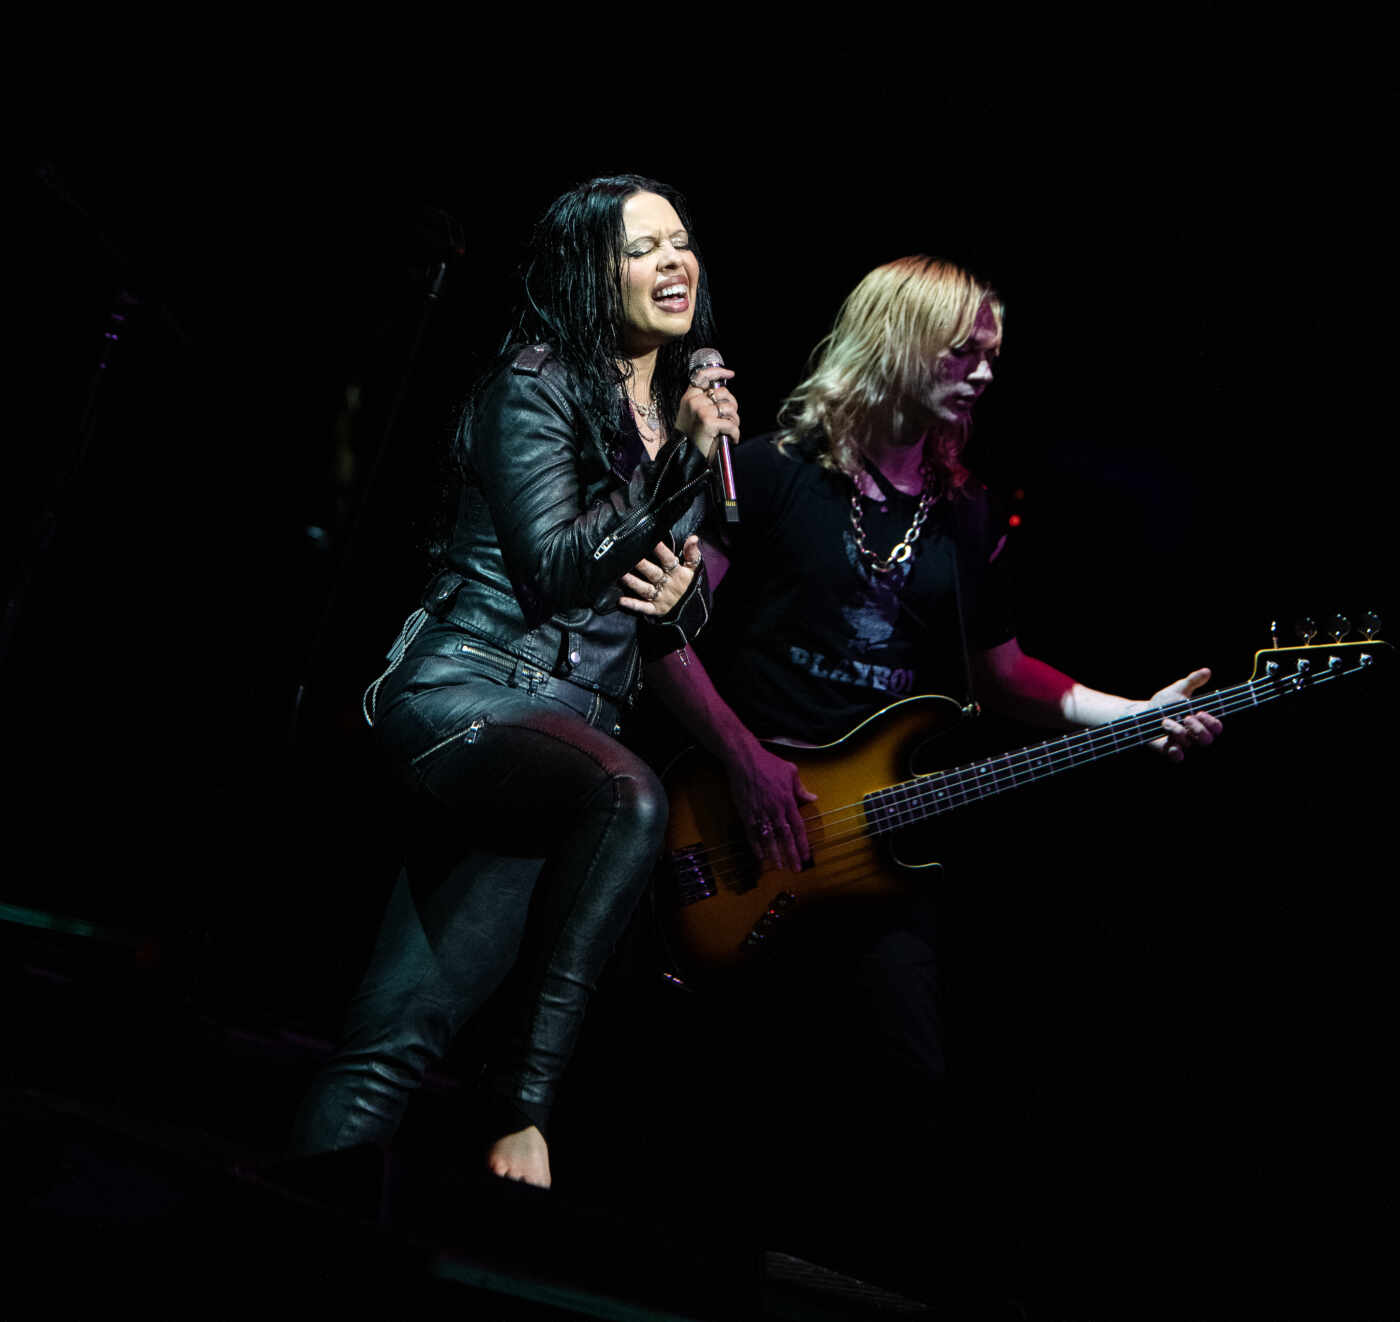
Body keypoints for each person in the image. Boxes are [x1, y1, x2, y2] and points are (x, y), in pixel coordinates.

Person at [643, 255, 1221, 1286]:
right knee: (730, 1074)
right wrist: (744, 761)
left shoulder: (966, 514)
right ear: (899, 344)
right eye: (964, 352)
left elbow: (1002, 673)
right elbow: (665, 632)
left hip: (872, 847)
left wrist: (1136, 714)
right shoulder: (772, 472)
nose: (985, 374)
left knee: (909, 1077)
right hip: (741, 817)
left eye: (992, 355)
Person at [292, 175, 740, 1190]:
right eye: (642, 249)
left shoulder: (681, 414)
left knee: (397, 1031)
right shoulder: (533, 384)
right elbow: (555, 567)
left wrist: (683, 595)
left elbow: (670, 618)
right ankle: (524, 1104)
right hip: (467, 694)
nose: (673, 263)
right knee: (631, 796)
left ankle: (306, 1209)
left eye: (680, 242)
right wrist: (676, 467)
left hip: (567, 736)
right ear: (589, 272)